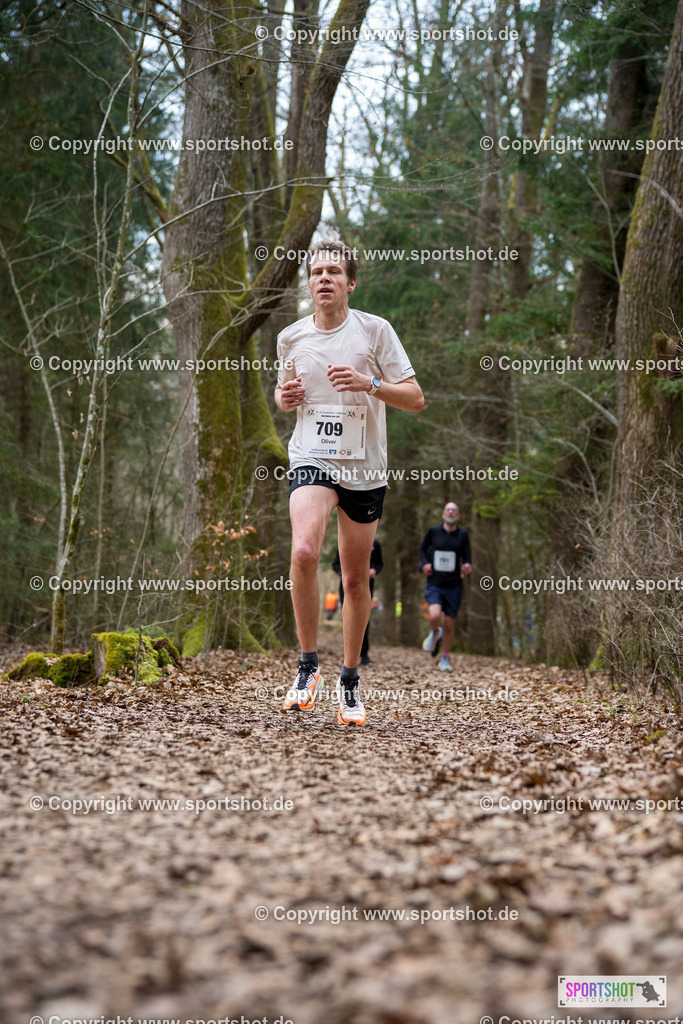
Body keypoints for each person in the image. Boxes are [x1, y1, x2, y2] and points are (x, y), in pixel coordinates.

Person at [275, 240, 423, 725]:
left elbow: (416, 399)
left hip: (364, 467)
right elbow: (283, 393)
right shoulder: (290, 338)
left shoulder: (375, 332)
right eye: (316, 271)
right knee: (302, 552)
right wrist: (284, 397)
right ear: (309, 283)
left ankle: (351, 679)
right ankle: (307, 665)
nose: (323, 278)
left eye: (334, 271)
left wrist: (369, 384)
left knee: (356, 579)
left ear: (350, 283)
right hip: (311, 457)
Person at [419, 502, 472, 671]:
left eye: (454, 510)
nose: (451, 512)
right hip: (435, 582)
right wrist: (425, 564)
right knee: (434, 616)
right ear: (443, 514)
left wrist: (467, 566)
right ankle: (435, 633)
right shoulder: (434, 531)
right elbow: (422, 549)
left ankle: (444, 658)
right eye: (448, 510)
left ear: (458, 516)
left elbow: (468, 557)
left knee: (449, 623)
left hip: (454, 584)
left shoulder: (463, 535)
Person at [332, 538, 383, 664]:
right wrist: (342, 572)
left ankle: (364, 653)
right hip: (345, 585)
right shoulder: (344, 540)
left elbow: (380, 563)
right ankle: (348, 654)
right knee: (348, 617)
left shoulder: (374, 544)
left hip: (367, 584)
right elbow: (335, 564)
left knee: (364, 618)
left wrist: (375, 570)